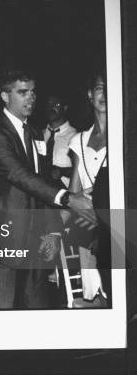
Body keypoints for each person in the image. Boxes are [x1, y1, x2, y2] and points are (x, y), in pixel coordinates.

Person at [0, 69, 95, 309]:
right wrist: (68, 198)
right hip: (4, 242)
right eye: (22, 92)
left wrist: (53, 231)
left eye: (33, 92)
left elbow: (43, 180)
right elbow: (19, 175)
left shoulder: (34, 132)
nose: (31, 98)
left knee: (37, 313)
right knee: (3, 316)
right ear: (4, 96)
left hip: (36, 241)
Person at [65, 72, 109, 306]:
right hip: (87, 225)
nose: (105, 94)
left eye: (110, 87)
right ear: (90, 95)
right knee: (97, 299)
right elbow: (74, 191)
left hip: (116, 223)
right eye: (100, 88)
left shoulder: (125, 137)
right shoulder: (78, 140)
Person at [42, 93, 77, 188]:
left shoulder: (76, 137)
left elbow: (82, 170)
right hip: (40, 193)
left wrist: (62, 171)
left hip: (65, 195)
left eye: (56, 105)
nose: (51, 108)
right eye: (48, 105)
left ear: (65, 108)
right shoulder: (38, 135)